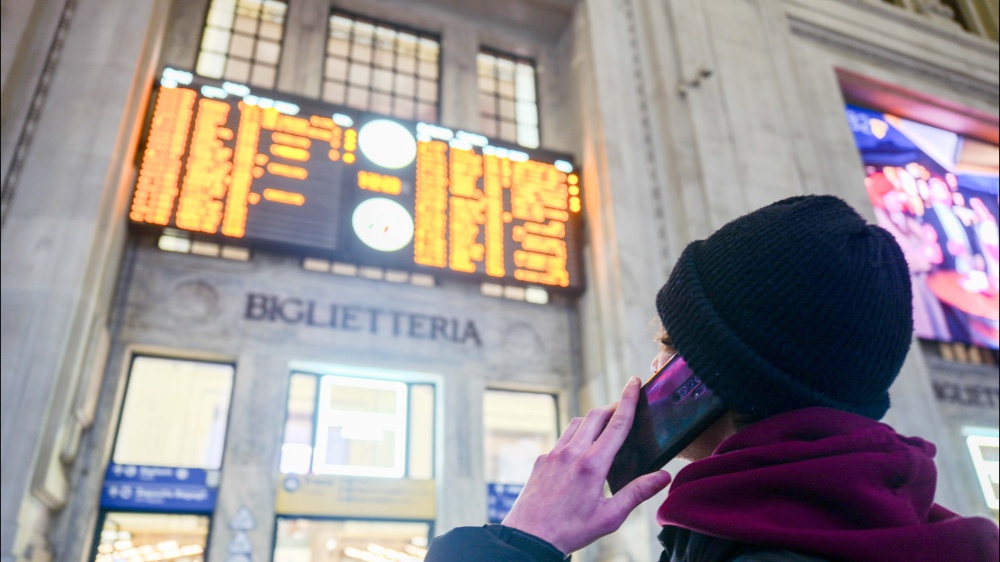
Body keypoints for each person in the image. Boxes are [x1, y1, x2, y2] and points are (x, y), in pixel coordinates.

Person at [424, 195, 1000, 561]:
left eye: (668, 349)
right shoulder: (908, 526)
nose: (653, 372)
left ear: (715, 378)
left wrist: (524, 540)